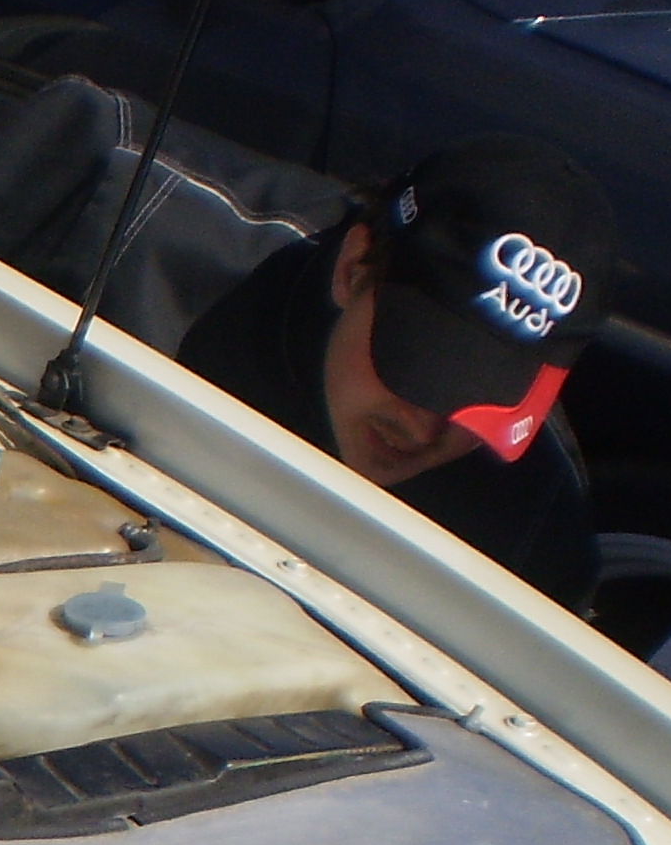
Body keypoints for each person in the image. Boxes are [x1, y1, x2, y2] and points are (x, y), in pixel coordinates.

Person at [177, 135, 618, 604]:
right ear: (353, 268)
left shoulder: (534, 536)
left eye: (482, 402)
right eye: (415, 367)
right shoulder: (152, 231)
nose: (423, 430)